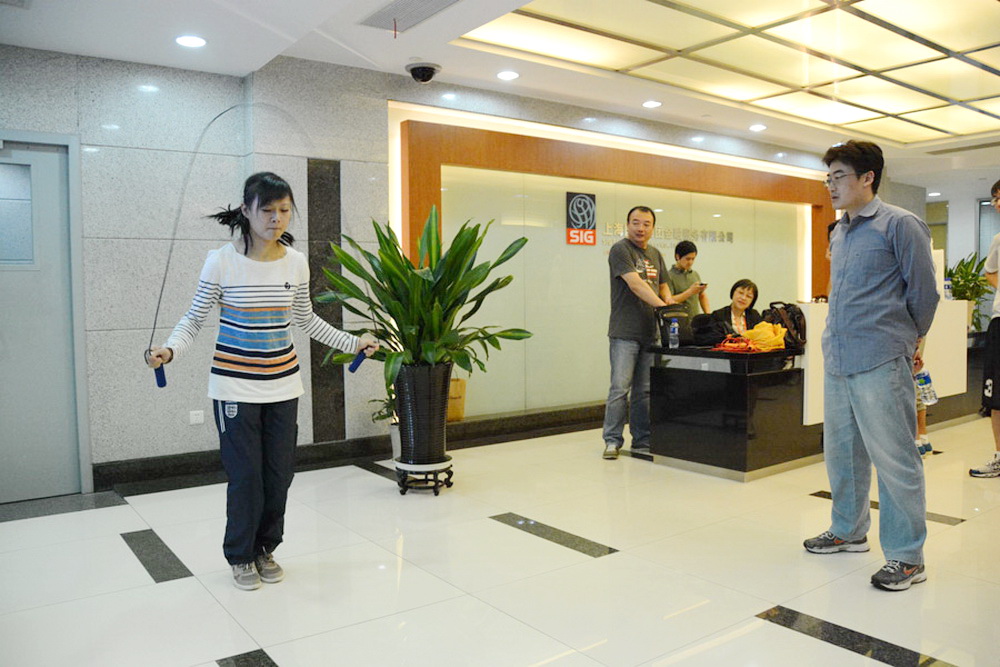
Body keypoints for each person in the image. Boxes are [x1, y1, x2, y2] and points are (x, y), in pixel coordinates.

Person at [146, 172, 378, 591]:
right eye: (267, 210)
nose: (277, 219)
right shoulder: (221, 262)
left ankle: (265, 548)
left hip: (283, 386)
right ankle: (240, 555)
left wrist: (353, 342)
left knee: (279, 475)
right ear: (246, 210)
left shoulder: (296, 262)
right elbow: (194, 319)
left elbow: (306, 320)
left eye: (284, 210)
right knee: (246, 477)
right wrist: (170, 350)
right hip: (233, 388)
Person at [803, 140, 938, 592]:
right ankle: (848, 530)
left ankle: (907, 556)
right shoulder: (840, 231)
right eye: (828, 178)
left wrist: (909, 339)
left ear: (868, 178)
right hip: (839, 358)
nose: (831, 186)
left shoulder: (900, 224)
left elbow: (924, 293)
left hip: (880, 357)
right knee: (842, 453)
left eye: (839, 176)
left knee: (895, 458)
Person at [603, 206, 702, 459]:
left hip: (650, 332)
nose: (641, 228)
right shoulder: (620, 250)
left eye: (646, 224)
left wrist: (668, 302)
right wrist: (662, 306)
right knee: (619, 389)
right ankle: (612, 441)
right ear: (627, 225)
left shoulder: (655, 254)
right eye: (636, 222)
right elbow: (636, 284)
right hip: (624, 332)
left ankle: (642, 440)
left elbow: (663, 286)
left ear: (653, 228)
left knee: (644, 391)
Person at [971, 178, 1000, 478]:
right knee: (996, 397)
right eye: (995, 198)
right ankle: (999, 456)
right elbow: (989, 272)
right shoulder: (998, 239)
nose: (997, 203)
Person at [665, 240, 710, 318]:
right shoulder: (669, 276)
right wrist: (690, 292)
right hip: (678, 320)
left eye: (693, 259)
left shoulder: (694, 274)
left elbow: (702, 296)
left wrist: (708, 315)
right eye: (688, 259)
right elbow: (669, 300)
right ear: (677, 257)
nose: (690, 262)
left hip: (694, 319)